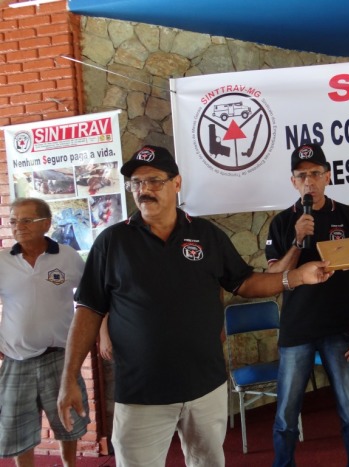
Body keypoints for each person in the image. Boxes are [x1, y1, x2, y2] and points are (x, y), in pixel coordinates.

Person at [57, 145, 332, 467]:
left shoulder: (206, 235)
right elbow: (88, 309)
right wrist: (70, 377)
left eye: (154, 181)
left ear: (177, 183)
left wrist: (296, 276)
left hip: (205, 388)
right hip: (141, 394)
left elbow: (244, 282)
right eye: (137, 182)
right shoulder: (112, 241)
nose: (144, 189)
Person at [266, 143, 349, 466]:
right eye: (302, 175)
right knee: (286, 418)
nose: (309, 181)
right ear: (293, 182)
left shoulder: (348, 217)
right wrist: (297, 242)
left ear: (328, 176)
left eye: (315, 173)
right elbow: (273, 276)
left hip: (340, 330)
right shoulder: (282, 222)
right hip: (296, 332)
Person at [0, 198, 89, 467]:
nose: (19, 226)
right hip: (16, 359)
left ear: (46, 223)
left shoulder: (67, 256)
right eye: (14, 221)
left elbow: (90, 297)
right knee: (19, 430)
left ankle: (69, 465)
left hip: (60, 357)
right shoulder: (2, 260)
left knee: (68, 422)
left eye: (27, 220)